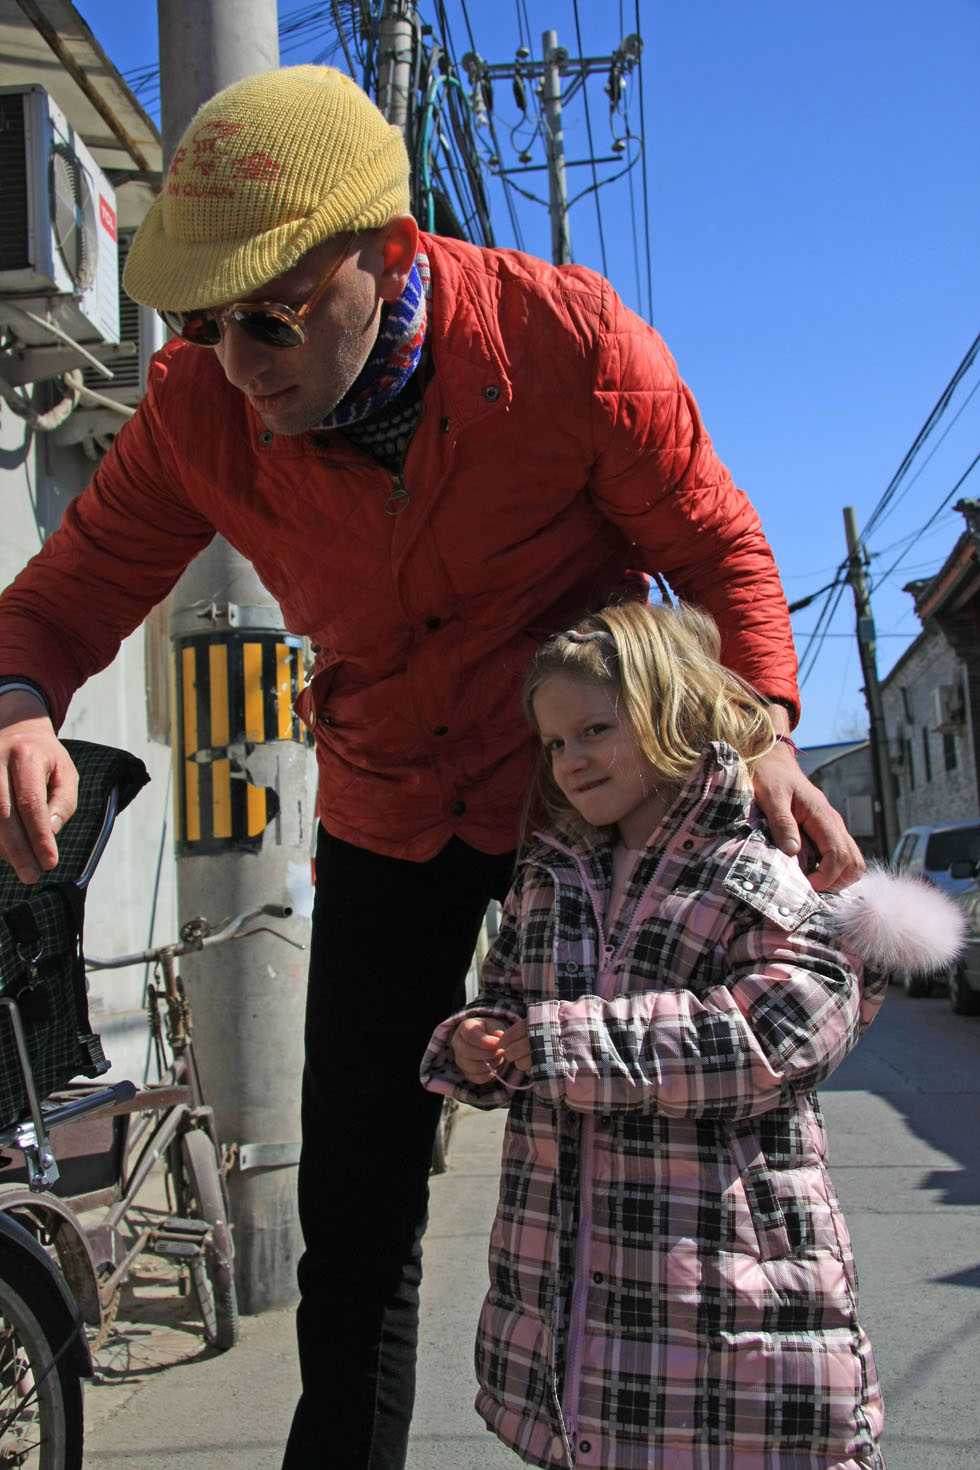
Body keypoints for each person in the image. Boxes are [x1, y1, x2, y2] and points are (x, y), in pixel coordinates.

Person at [0, 64, 870, 1470]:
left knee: (648, 1174)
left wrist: (764, 718)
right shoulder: (195, 412)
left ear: (386, 258)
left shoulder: (564, 343)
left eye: (271, 318)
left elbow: (720, 549)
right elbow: (61, 596)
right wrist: (20, 703)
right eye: (202, 324)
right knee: (356, 1208)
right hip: (391, 812)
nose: (237, 360)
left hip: (580, 812)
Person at [421, 600, 963, 1470]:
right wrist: (481, 1043)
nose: (572, 760)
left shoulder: (753, 861)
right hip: (563, 1304)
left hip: (725, 1293)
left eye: (596, 728)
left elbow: (778, 1035)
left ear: (670, 715)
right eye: (555, 744)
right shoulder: (548, 873)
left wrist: (556, 1044)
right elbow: (509, 1000)